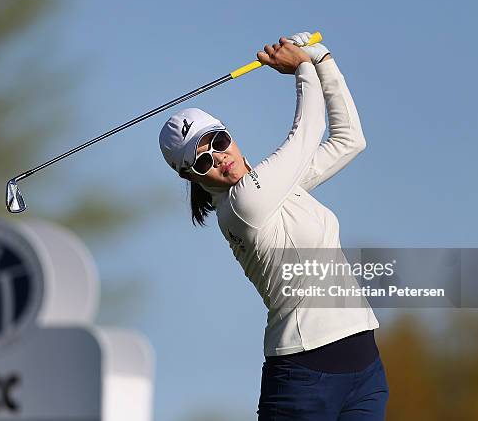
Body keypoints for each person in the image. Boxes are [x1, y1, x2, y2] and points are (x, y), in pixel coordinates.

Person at [159, 31, 389, 420]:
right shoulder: (243, 204)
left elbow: (350, 140)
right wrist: (301, 67)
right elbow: (307, 132)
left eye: (217, 141)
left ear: (228, 133)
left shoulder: (279, 186)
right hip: (303, 379)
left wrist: (322, 59)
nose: (218, 158)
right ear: (192, 177)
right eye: (201, 162)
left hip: (364, 369)